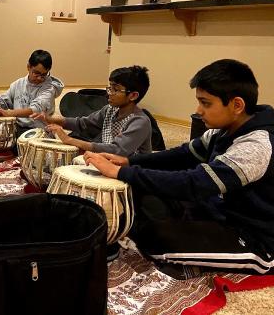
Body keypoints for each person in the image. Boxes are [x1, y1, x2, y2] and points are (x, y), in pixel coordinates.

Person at [84, 59, 274, 276]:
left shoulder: (257, 145)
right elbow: (182, 155)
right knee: (136, 198)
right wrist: (129, 162)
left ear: (237, 105)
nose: (198, 110)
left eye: (206, 103)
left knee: (154, 238)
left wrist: (121, 172)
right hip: (212, 211)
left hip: (254, 237)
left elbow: (194, 182)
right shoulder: (223, 129)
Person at [32, 65, 152, 155]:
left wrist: (69, 139)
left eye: (115, 89)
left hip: (131, 171)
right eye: (109, 87)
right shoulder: (110, 110)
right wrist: (49, 119)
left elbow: (117, 150)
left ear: (133, 96)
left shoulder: (140, 122)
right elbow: (83, 123)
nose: (109, 93)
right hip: (108, 161)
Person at [0, 50, 63, 137]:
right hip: (18, 128)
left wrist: (9, 113)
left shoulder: (49, 89)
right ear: (28, 66)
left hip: (40, 133)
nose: (40, 78)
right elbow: (2, 101)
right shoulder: (18, 84)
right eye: (36, 73)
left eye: (44, 74)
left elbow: (34, 109)